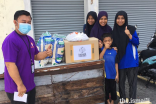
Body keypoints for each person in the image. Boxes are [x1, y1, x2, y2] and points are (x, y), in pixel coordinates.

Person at [2, 10, 52, 104]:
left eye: (29, 22)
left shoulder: (30, 39)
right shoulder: (10, 41)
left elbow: (36, 55)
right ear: (15, 22)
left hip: (30, 85)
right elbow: (9, 64)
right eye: (23, 22)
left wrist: (46, 53)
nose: (27, 24)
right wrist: (20, 85)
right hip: (17, 88)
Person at [112, 11, 139, 104]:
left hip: (131, 62)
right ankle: (122, 100)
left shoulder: (131, 29)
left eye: (122, 18)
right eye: (118, 18)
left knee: (132, 84)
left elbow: (136, 42)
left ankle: (132, 101)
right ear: (115, 19)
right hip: (120, 62)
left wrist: (129, 34)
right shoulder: (114, 31)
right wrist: (112, 47)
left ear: (125, 19)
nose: (120, 20)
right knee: (121, 84)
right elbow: (112, 45)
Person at [100, 33, 119, 104]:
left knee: (113, 89)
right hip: (105, 74)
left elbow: (116, 63)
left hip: (113, 74)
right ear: (102, 42)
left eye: (109, 40)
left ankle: (113, 100)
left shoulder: (115, 51)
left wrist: (117, 74)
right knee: (106, 88)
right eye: (105, 41)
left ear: (112, 41)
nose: (108, 42)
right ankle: (107, 100)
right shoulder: (102, 49)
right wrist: (104, 48)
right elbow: (100, 57)